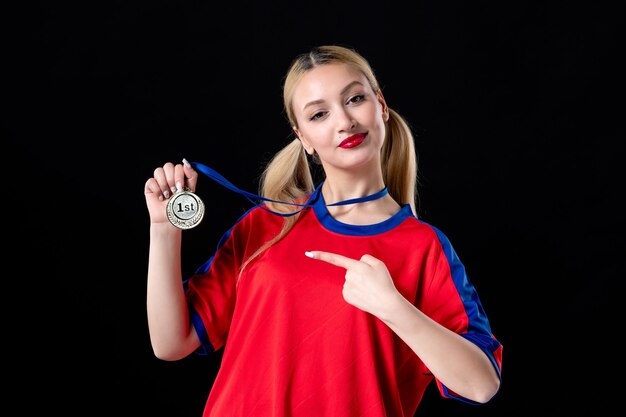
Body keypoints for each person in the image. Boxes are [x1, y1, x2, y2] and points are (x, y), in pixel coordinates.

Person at [144, 44, 503, 416]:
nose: (344, 121)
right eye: (319, 114)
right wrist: (163, 229)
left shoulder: (423, 247)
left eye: (355, 98)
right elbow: (172, 343)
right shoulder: (267, 225)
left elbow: (482, 384)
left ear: (381, 105)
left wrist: (394, 308)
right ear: (304, 139)